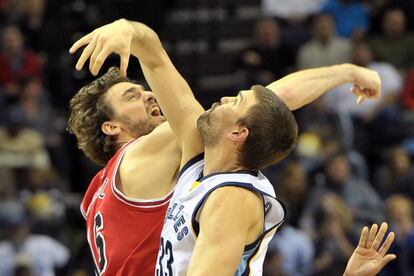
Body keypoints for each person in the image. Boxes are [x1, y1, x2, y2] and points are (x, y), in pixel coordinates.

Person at [69, 19, 381, 275]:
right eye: (132, 97)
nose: (150, 95)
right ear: (111, 128)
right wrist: (131, 30)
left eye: (143, 90)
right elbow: (269, 102)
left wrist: (345, 73)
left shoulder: (97, 195)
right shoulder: (144, 154)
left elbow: (263, 107)